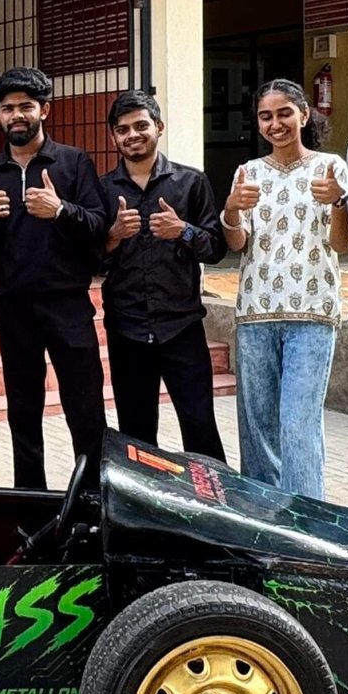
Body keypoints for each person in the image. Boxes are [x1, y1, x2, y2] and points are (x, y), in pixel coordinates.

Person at [0, 66, 108, 491]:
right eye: (7, 108)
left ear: (44, 110)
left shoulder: (74, 162)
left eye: (25, 106)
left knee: (85, 408)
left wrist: (60, 209)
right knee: (23, 410)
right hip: (13, 306)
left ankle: (92, 499)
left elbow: (99, 225)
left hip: (68, 303)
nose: (17, 115)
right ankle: (30, 498)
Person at [222, 79, 348, 500]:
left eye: (284, 114)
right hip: (255, 312)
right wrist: (231, 210)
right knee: (257, 425)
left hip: (312, 314)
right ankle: (263, 518)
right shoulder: (249, 173)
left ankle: (307, 522)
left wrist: (338, 202)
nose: (275, 124)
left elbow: (342, 244)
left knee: (298, 424)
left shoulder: (330, 167)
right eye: (266, 116)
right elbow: (237, 243)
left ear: (304, 115)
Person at [96, 91, 227, 457]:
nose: (132, 135)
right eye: (123, 129)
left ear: (159, 127)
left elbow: (216, 249)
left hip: (181, 325)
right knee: (136, 433)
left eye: (141, 126)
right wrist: (113, 236)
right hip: (127, 327)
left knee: (200, 425)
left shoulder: (191, 182)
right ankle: (145, 496)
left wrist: (183, 230)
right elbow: (89, 261)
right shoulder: (103, 189)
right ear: (114, 136)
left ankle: (209, 494)